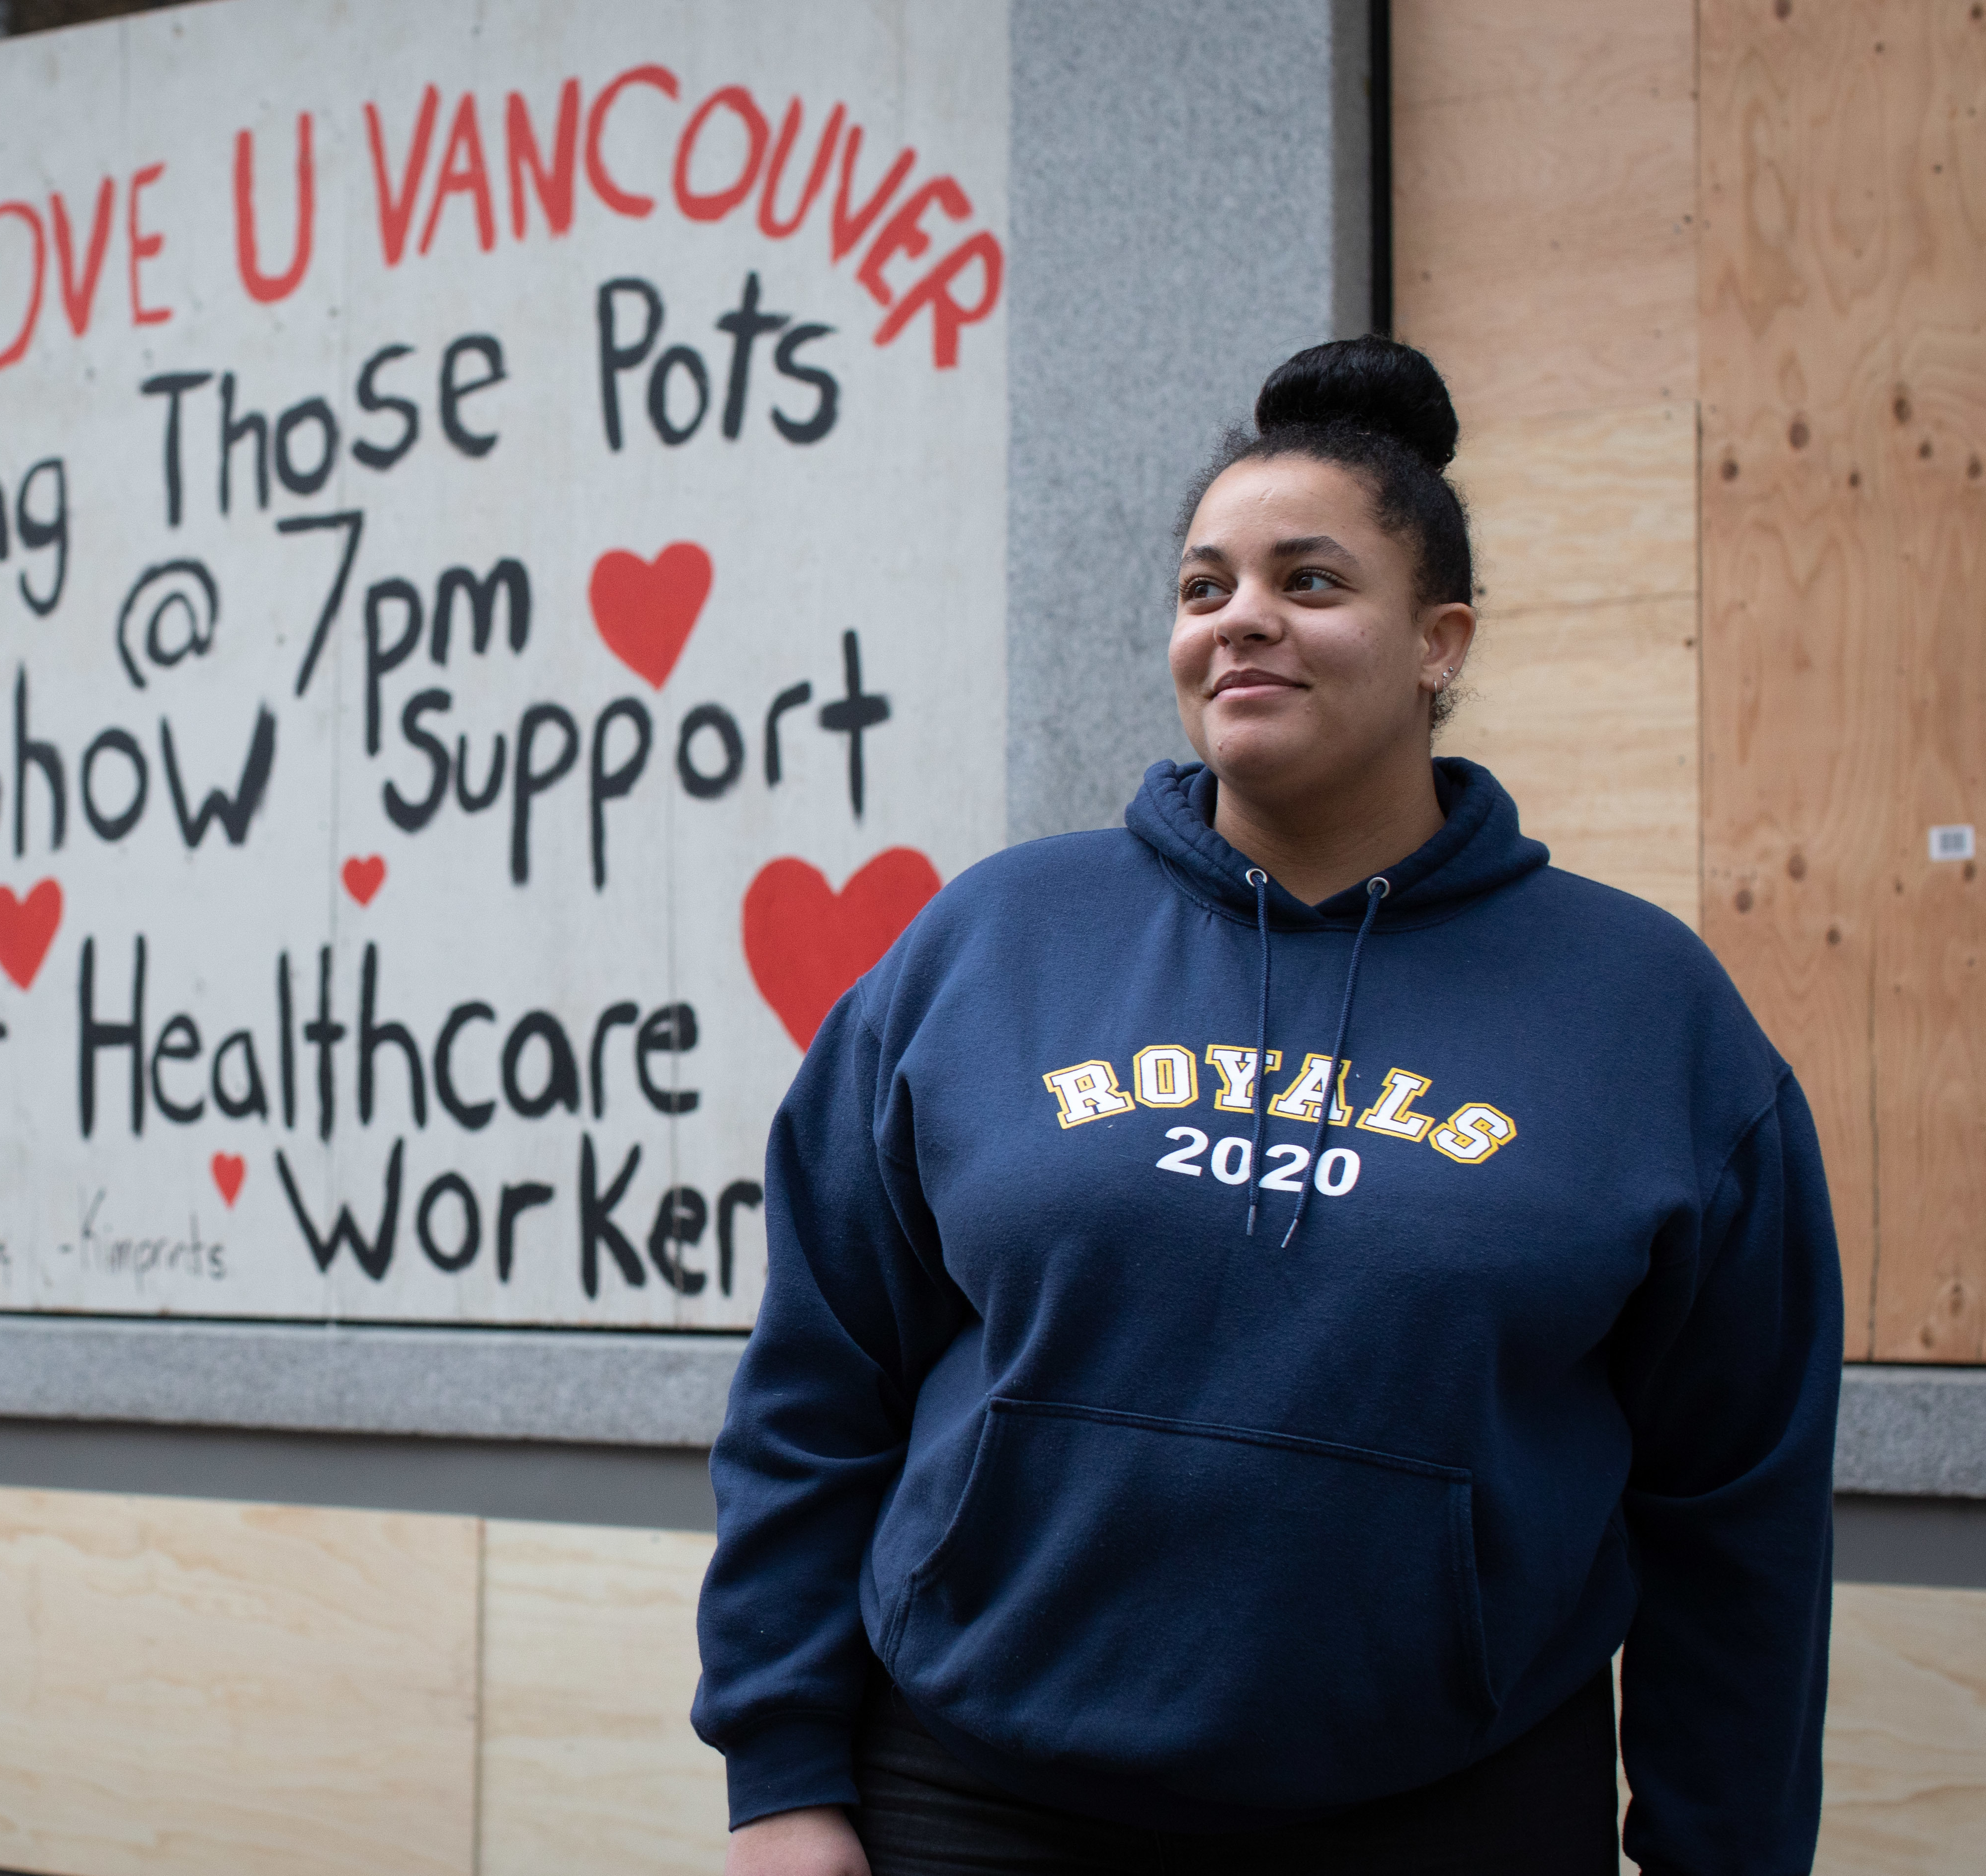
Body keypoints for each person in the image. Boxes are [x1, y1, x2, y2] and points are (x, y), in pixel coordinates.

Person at [695, 335, 1839, 1876]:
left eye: (1308, 583)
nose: (1240, 620)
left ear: (1440, 642)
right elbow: (814, 1389)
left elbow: (1736, 1507)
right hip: (976, 1800)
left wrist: (1729, 1854)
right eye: (1202, 587)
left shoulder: (1646, 1013)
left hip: (1453, 1810)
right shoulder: (992, 944)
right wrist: (778, 1774)